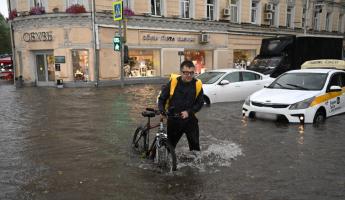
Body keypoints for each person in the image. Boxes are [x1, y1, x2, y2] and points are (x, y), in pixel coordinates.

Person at [158, 60, 204, 151]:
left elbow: (200, 103)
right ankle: (168, 162)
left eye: (191, 73)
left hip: (190, 120)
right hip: (174, 120)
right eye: (186, 73)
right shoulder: (173, 83)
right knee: (170, 147)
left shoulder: (197, 84)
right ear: (181, 72)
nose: (189, 75)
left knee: (195, 148)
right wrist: (162, 111)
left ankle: (193, 164)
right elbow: (161, 99)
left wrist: (189, 112)